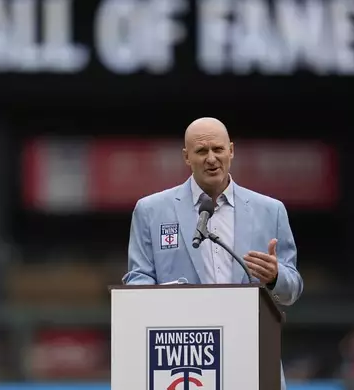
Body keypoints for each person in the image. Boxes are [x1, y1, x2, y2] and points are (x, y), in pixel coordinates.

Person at [123, 117, 303, 390]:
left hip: (251, 357)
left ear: (231, 150)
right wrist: (164, 299)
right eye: (201, 151)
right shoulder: (151, 211)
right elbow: (138, 279)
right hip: (182, 359)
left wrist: (276, 277)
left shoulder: (270, 210)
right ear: (186, 157)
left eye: (218, 150)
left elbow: (292, 290)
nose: (211, 159)